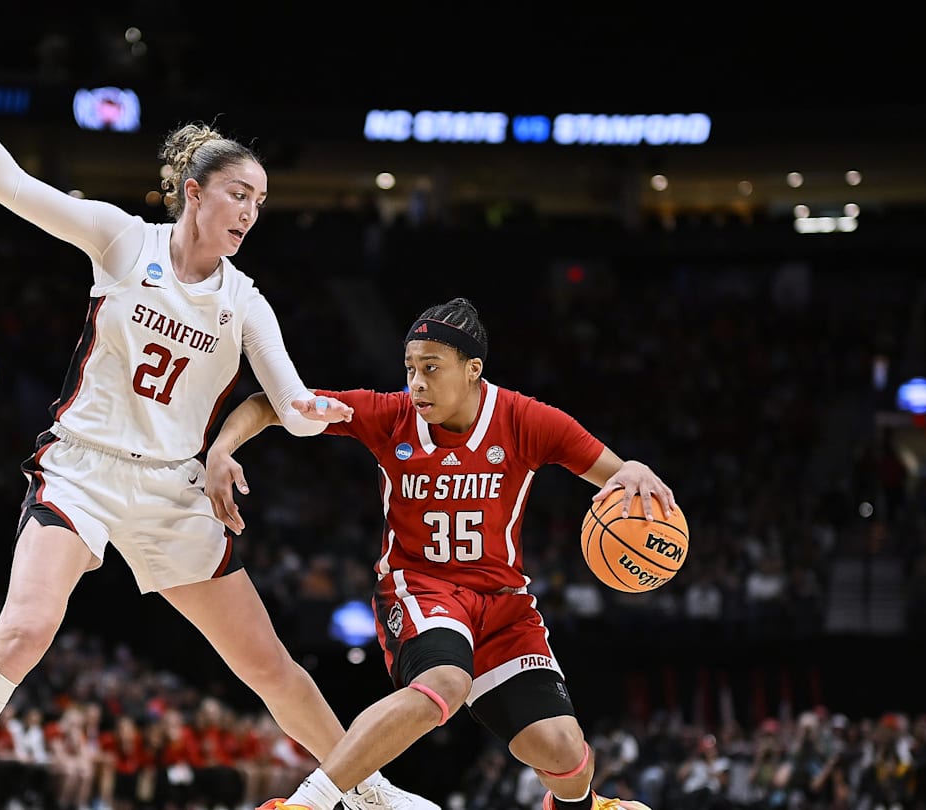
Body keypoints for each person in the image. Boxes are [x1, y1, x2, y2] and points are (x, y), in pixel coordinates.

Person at [0, 18, 436, 810]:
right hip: (83, 470)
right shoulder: (122, 242)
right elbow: (10, 187)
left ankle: (366, 789)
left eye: (262, 201)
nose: (251, 212)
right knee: (26, 629)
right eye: (240, 193)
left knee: (269, 665)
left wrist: (350, 411)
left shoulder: (246, 302)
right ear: (195, 194)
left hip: (174, 494)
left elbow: (295, 407)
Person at [204, 297, 677, 810]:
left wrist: (634, 470)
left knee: (564, 751)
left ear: (473, 370)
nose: (417, 382)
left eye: (431, 367)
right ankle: (307, 804)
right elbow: (269, 403)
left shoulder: (523, 419)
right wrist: (223, 448)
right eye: (410, 368)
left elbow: (616, 472)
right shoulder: (389, 415)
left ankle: (582, 806)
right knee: (447, 682)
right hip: (419, 589)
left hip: (502, 603)